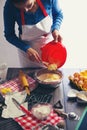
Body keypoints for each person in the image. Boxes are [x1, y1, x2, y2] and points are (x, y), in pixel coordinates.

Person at [3, 0, 63, 67]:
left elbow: (58, 14)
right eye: (20, 8)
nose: (26, 10)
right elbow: (9, 35)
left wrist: (55, 28)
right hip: (27, 51)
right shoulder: (10, 5)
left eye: (29, 5)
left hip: (49, 48)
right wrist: (26, 48)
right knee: (28, 76)